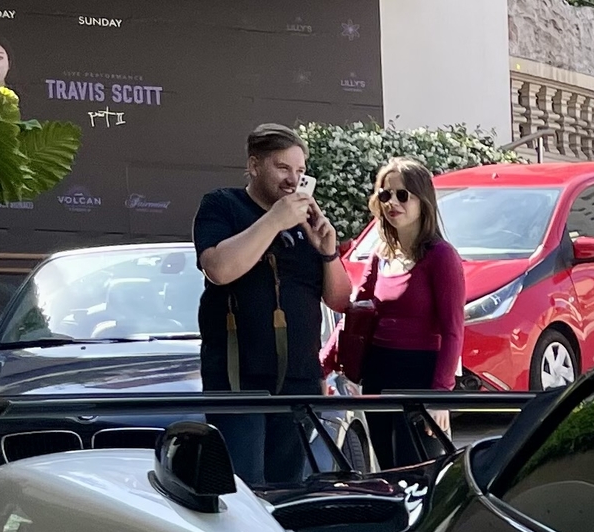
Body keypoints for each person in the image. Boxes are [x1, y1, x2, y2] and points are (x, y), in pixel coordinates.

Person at [194, 122, 351, 487]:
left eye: (299, 171)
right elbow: (219, 269)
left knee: (288, 490)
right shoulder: (222, 204)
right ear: (254, 165)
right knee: (243, 491)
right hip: (239, 381)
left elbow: (340, 300)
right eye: (283, 168)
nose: (292, 180)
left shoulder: (304, 222)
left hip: (298, 380)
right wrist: (274, 220)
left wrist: (328, 252)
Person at [340, 157, 467, 467]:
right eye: (385, 194)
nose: (391, 202)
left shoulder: (442, 256)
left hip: (420, 376)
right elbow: (355, 317)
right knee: (388, 473)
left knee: (420, 475)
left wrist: (440, 395)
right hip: (378, 375)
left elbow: (453, 331)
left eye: (402, 195)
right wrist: (325, 364)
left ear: (422, 201)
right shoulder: (380, 255)